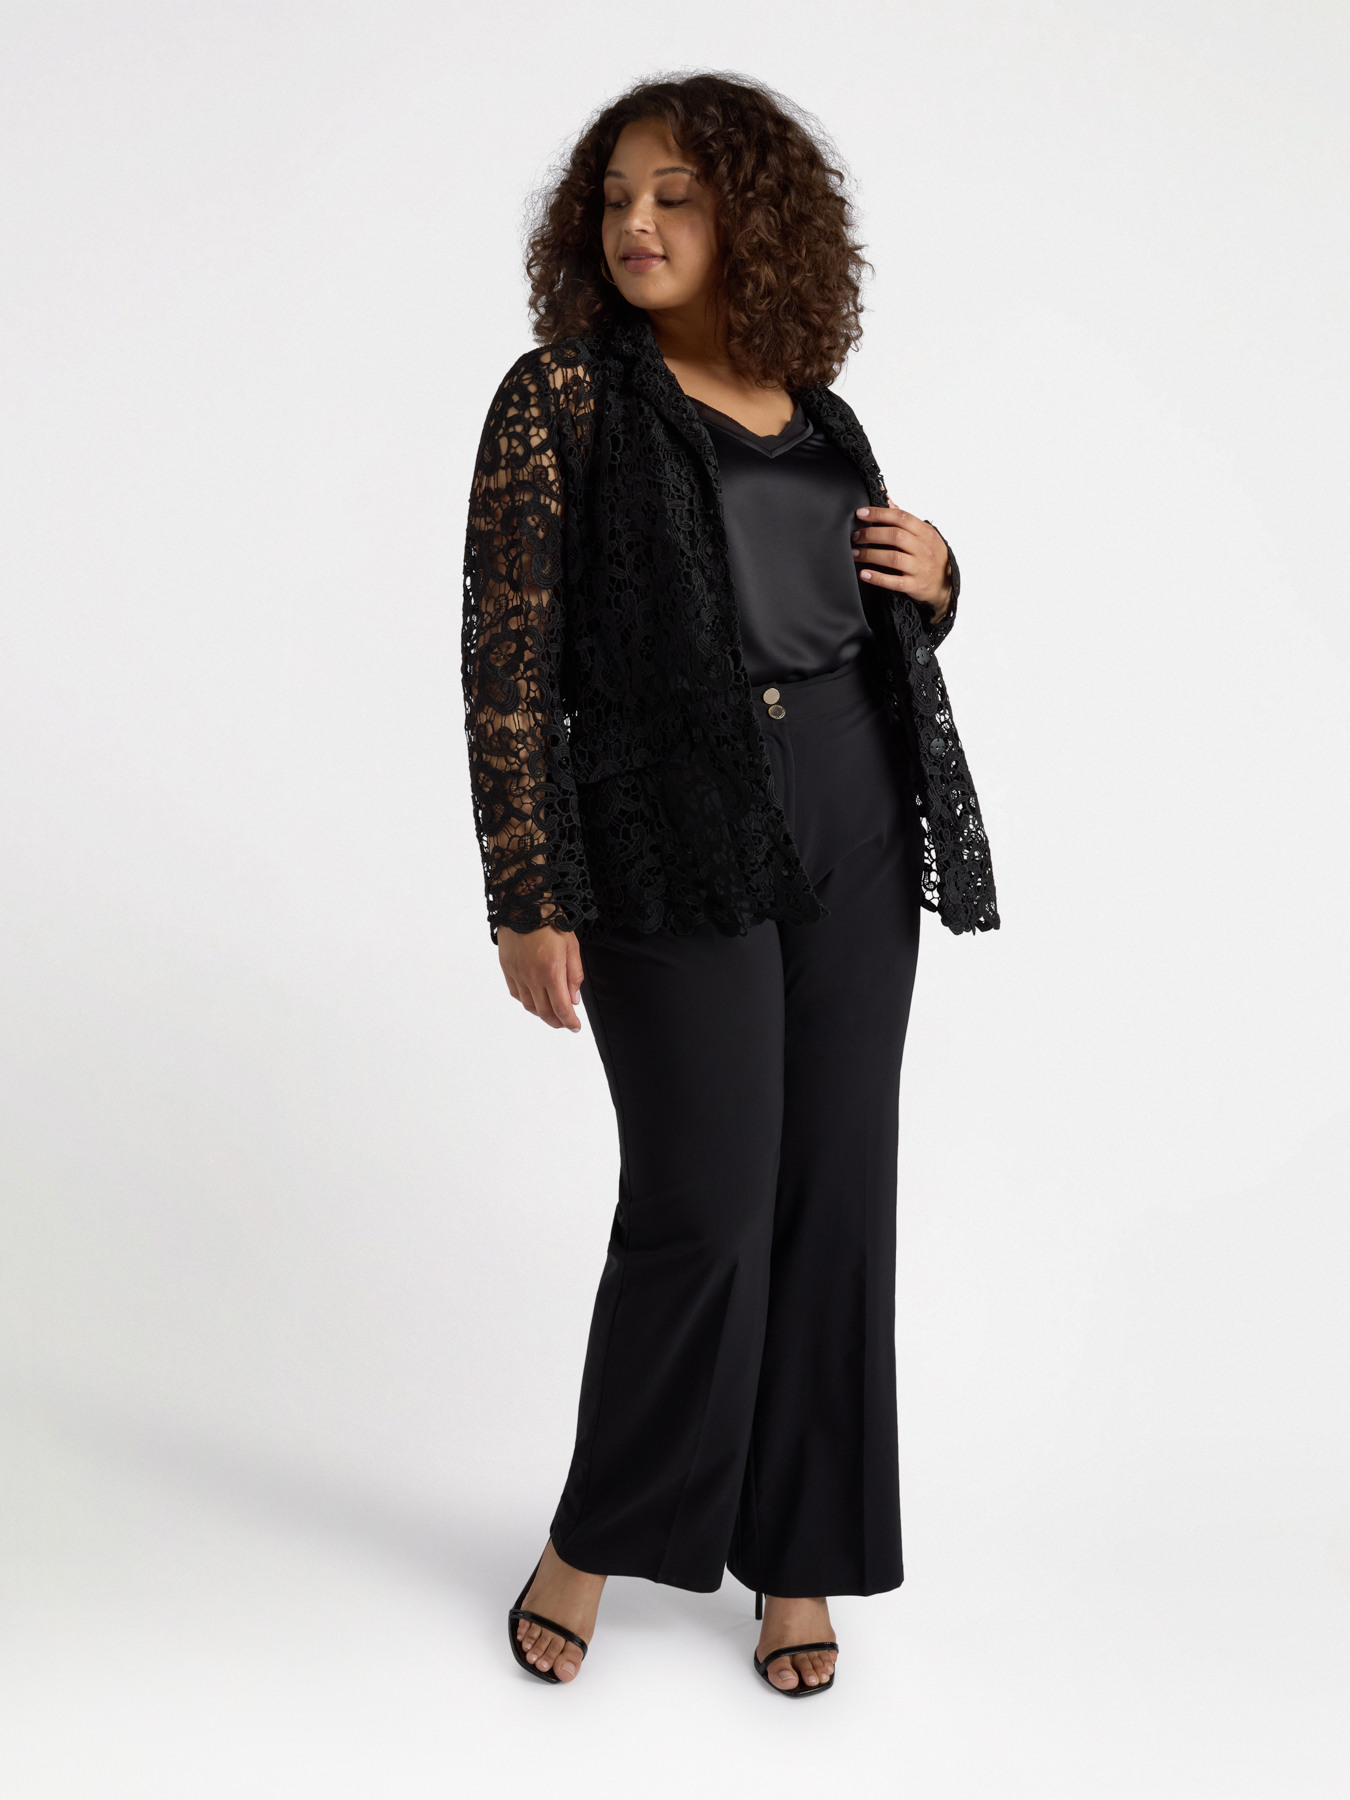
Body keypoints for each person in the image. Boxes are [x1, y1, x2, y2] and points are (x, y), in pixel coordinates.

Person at [462, 71, 998, 1696]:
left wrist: (947, 582)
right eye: (617, 196)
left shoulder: (815, 406)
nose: (636, 222)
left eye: (675, 196)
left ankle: (799, 1559)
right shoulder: (560, 397)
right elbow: (506, 660)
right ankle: (594, 1535)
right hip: (668, 824)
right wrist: (525, 887)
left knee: (832, 1195)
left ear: (749, 219)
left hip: (852, 801)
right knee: (700, 1203)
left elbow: (855, 608)